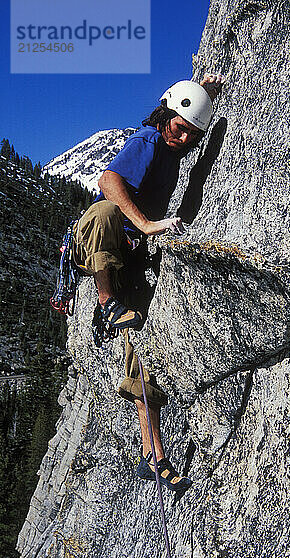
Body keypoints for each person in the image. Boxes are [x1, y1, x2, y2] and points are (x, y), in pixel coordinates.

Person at [72, 74, 224, 492]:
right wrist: (146, 224)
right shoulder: (149, 140)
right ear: (165, 117)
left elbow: (186, 107)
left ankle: (152, 455)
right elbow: (108, 182)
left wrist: (203, 94)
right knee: (104, 211)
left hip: (131, 257)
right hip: (112, 243)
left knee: (142, 355)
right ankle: (105, 301)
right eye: (179, 128)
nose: (183, 138)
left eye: (192, 135)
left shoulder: (171, 140)